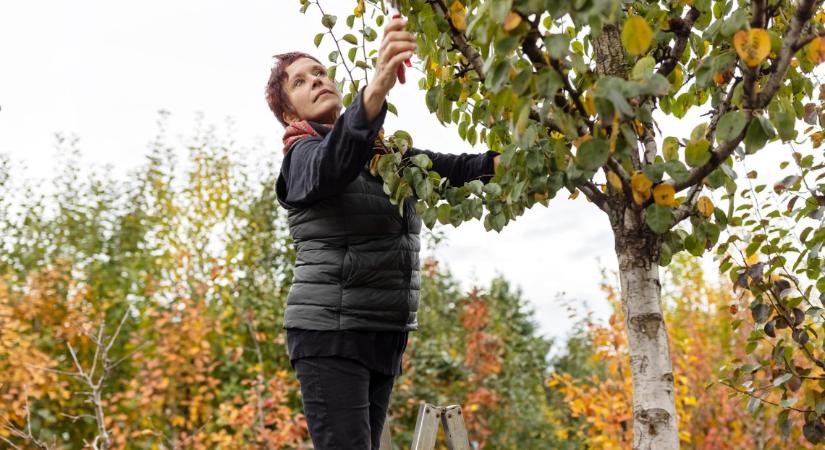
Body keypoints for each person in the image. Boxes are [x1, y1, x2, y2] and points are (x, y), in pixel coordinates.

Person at [265, 16, 500, 450]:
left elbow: (451, 170)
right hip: (331, 336)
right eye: (300, 81)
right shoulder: (301, 156)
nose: (316, 81)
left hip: (382, 334)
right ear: (287, 111)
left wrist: (521, 159)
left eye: (320, 72)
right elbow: (334, 163)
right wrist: (375, 90)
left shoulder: (383, 156)